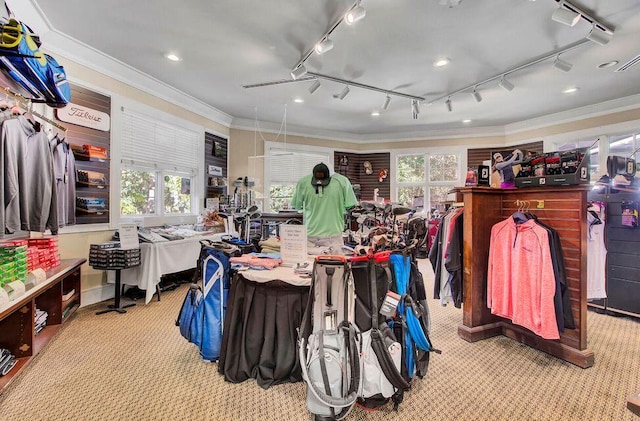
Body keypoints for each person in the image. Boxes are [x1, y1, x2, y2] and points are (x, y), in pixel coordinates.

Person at [291, 162, 357, 255]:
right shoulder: (303, 182)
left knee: (336, 268)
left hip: (333, 238)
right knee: (308, 269)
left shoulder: (343, 182)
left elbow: (297, 206)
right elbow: (350, 206)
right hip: (310, 238)